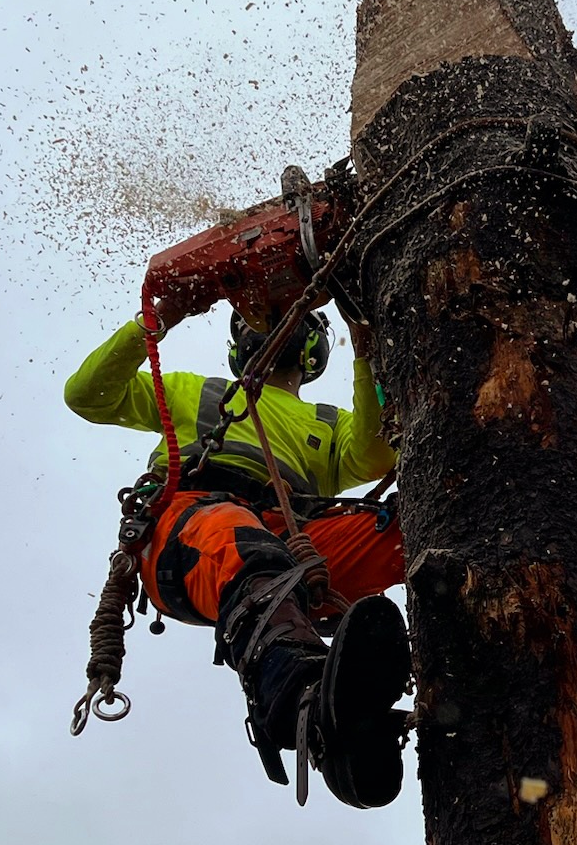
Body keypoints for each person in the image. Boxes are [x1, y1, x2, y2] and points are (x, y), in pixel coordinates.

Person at [64, 305, 410, 805]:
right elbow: (87, 395)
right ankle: (299, 694)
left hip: (294, 542)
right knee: (242, 544)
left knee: (408, 529)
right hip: (191, 523)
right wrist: (154, 321)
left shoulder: (330, 423)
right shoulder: (194, 391)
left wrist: (365, 351)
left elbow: (377, 454)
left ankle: (366, 707)